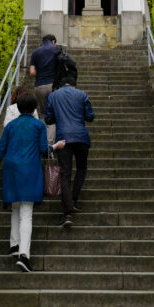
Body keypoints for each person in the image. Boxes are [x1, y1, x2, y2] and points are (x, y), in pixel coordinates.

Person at [0, 92, 65, 272]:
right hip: (29, 170)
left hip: (11, 169)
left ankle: (14, 244)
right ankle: (24, 255)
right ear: (35, 108)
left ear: (18, 108)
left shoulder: (10, 126)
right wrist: (57, 146)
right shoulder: (38, 125)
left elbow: (0, 150)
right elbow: (43, 149)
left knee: (15, 206)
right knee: (26, 212)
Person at [44, 73, 94, 228]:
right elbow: (90, 116)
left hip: (63, 139)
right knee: (82, 168)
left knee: (65, 173)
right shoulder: (82, 94)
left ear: (61, 84)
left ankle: (67, 212)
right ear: (74, 85)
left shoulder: (53, 96)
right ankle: (73, 199)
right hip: (81, 137)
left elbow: (48, 119)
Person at [29, 34, 60, 117]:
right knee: (55, 113)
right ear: (53, 41)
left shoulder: (35, 52)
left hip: (39, 87)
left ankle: (45, 128)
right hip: (54, 85)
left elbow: (32, 72)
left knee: (44, 114)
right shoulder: (56, 49)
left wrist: (40, 74)